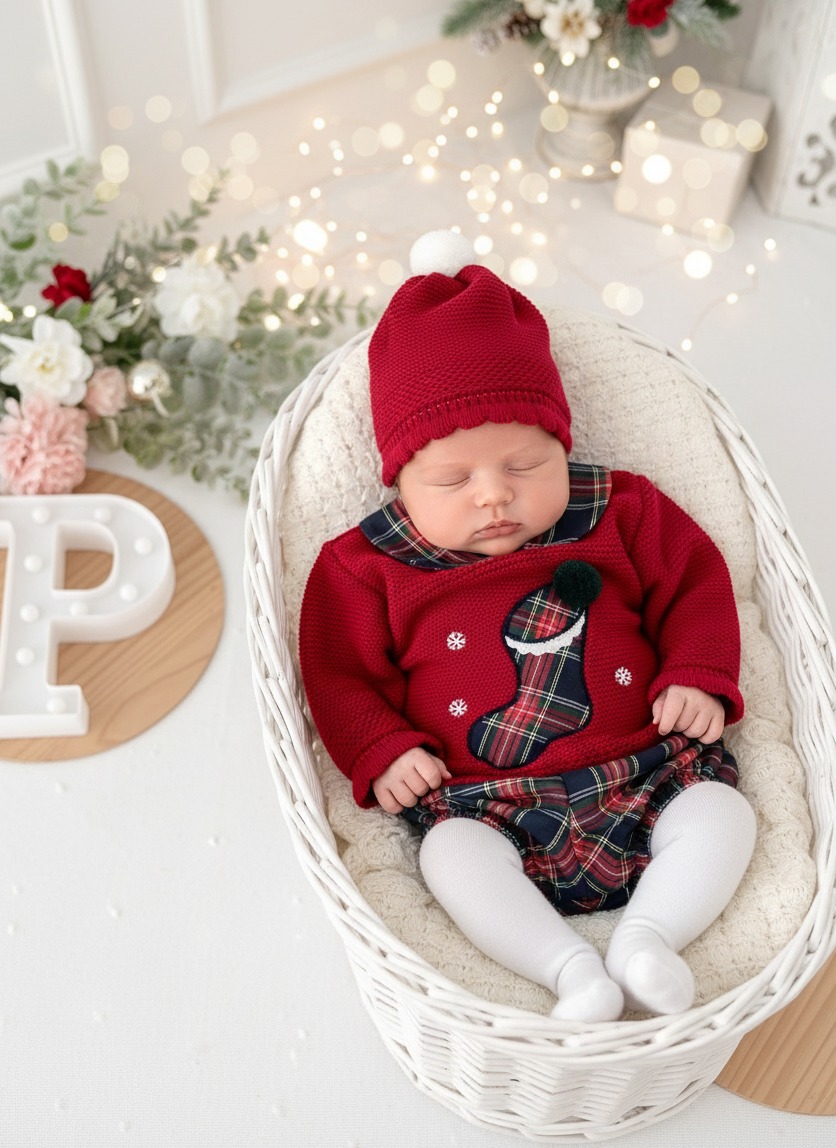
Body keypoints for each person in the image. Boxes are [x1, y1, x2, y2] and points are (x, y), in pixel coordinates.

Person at [299, 230, 757, 1022]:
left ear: (561, 444)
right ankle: (569, 970)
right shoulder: (366, 566)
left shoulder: (620, 510)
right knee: (450, 857)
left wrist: (696, 671)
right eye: (451, 479)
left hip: (651, 768)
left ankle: (648, 939)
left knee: (725, 814)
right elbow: (338, 671)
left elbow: (696, 584)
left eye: (524, 466)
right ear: (400, 481)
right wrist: (383, 746)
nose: (493, 495)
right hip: (487, 804)